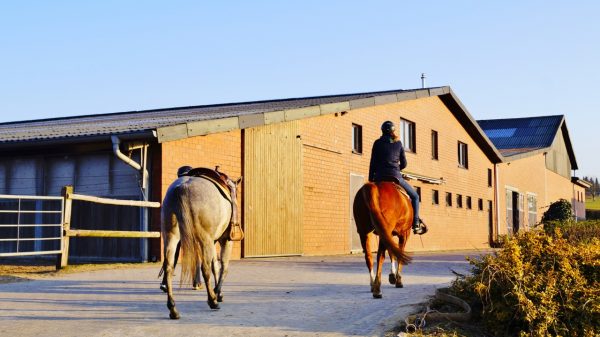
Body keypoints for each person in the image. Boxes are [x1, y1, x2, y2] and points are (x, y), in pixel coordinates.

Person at [368, 121, 427, 235]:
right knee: (415, 196)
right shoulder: (398, 143)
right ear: (393, 131)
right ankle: (415, 224)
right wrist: (396, 168)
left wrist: (371, 180)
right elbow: (404, 163)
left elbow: (373, 163)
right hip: (395, 176)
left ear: (382, 131)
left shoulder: (377, 143)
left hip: (379, 177)